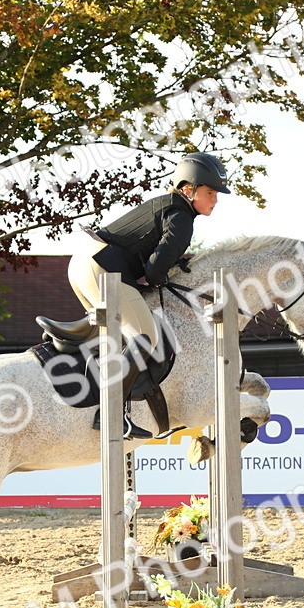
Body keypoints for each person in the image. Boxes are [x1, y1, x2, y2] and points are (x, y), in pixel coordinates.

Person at [67, 152, 230, 439]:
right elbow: (155, 273)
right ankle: (110, 413)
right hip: (103, 269)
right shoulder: (182, 218)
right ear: (188, 190)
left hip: (82, 262)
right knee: (146, 337)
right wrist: (164, 276)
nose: (215, 200)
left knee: (117, 337)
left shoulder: (168, 206)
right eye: (209, 192)